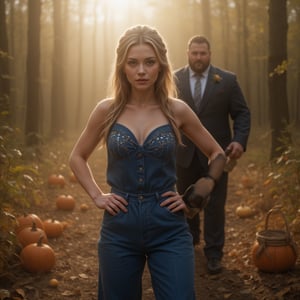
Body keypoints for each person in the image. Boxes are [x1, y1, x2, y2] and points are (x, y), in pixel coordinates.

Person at [69, 25, 226, 300]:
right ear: (123, 67)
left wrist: (197, 194)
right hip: (119, 226)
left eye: (149, 62)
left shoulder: (177, 109)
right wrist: (97, 195)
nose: (141, 70)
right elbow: (77, 157)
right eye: (133, 63)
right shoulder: (106, 110)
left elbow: (218, 153)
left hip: (168, 225)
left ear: (161, 65)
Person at [174, 36, 251, 274]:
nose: (198, 57)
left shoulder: (227, 80)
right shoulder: (173, 79)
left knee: (215, 204)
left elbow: (242, 113)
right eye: (194, 53)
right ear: (187, 52)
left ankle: (214, 254)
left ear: (210, 53)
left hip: (217, 156)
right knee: (186, 201)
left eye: (203, 53)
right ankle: (189, 242)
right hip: (183, 154)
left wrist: (238, 140)